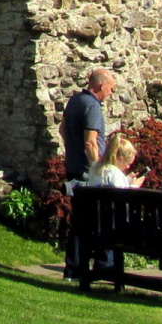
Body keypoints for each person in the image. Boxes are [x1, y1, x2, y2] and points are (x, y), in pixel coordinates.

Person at [61, 68, 116, 278]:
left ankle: (73, 268)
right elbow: (91, 142)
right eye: (111, 88)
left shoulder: (75, 101)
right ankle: (104, 266)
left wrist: (71, 150)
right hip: (88, 174)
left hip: (74, 169)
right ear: (102, 85)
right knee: (103, 221)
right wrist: (98, 169)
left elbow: (63, 129)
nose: (111, 92)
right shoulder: (92, 106)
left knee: (79, 224)